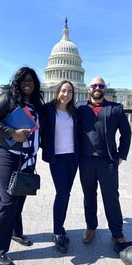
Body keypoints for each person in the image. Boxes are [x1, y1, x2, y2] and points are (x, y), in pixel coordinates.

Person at [0, 66, 44, 265]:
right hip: (6, 156)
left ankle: (16, 233)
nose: (28, 83)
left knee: (19, 198)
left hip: (27, 158)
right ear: (17, 82)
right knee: (8, 200)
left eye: (31, 80)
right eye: (23, 80)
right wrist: (12, 133)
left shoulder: (36, 104)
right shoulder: (9, 98)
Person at [77, 77, 132, 245]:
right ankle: (91, 227)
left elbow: (126, 133)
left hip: (107, 161)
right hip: (85, 161)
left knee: (111, 197)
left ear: (105, 89)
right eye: (94, 85)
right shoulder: (79, 107)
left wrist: (121, 156)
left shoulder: (115, 109)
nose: (97, 88)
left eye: (100, 86)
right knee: (89, 196)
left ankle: (117, 232)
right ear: (89, 89)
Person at [40, 80, 79, 253]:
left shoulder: (75, 112)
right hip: (57, 159)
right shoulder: (48, 109)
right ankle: (57, 232)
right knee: (62, 193)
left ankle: (60, 227)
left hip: (73, 157)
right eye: (63, 90)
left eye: (69, 91)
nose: (66, 94)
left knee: (66, 193)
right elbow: (37, 128)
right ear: (57, 92)